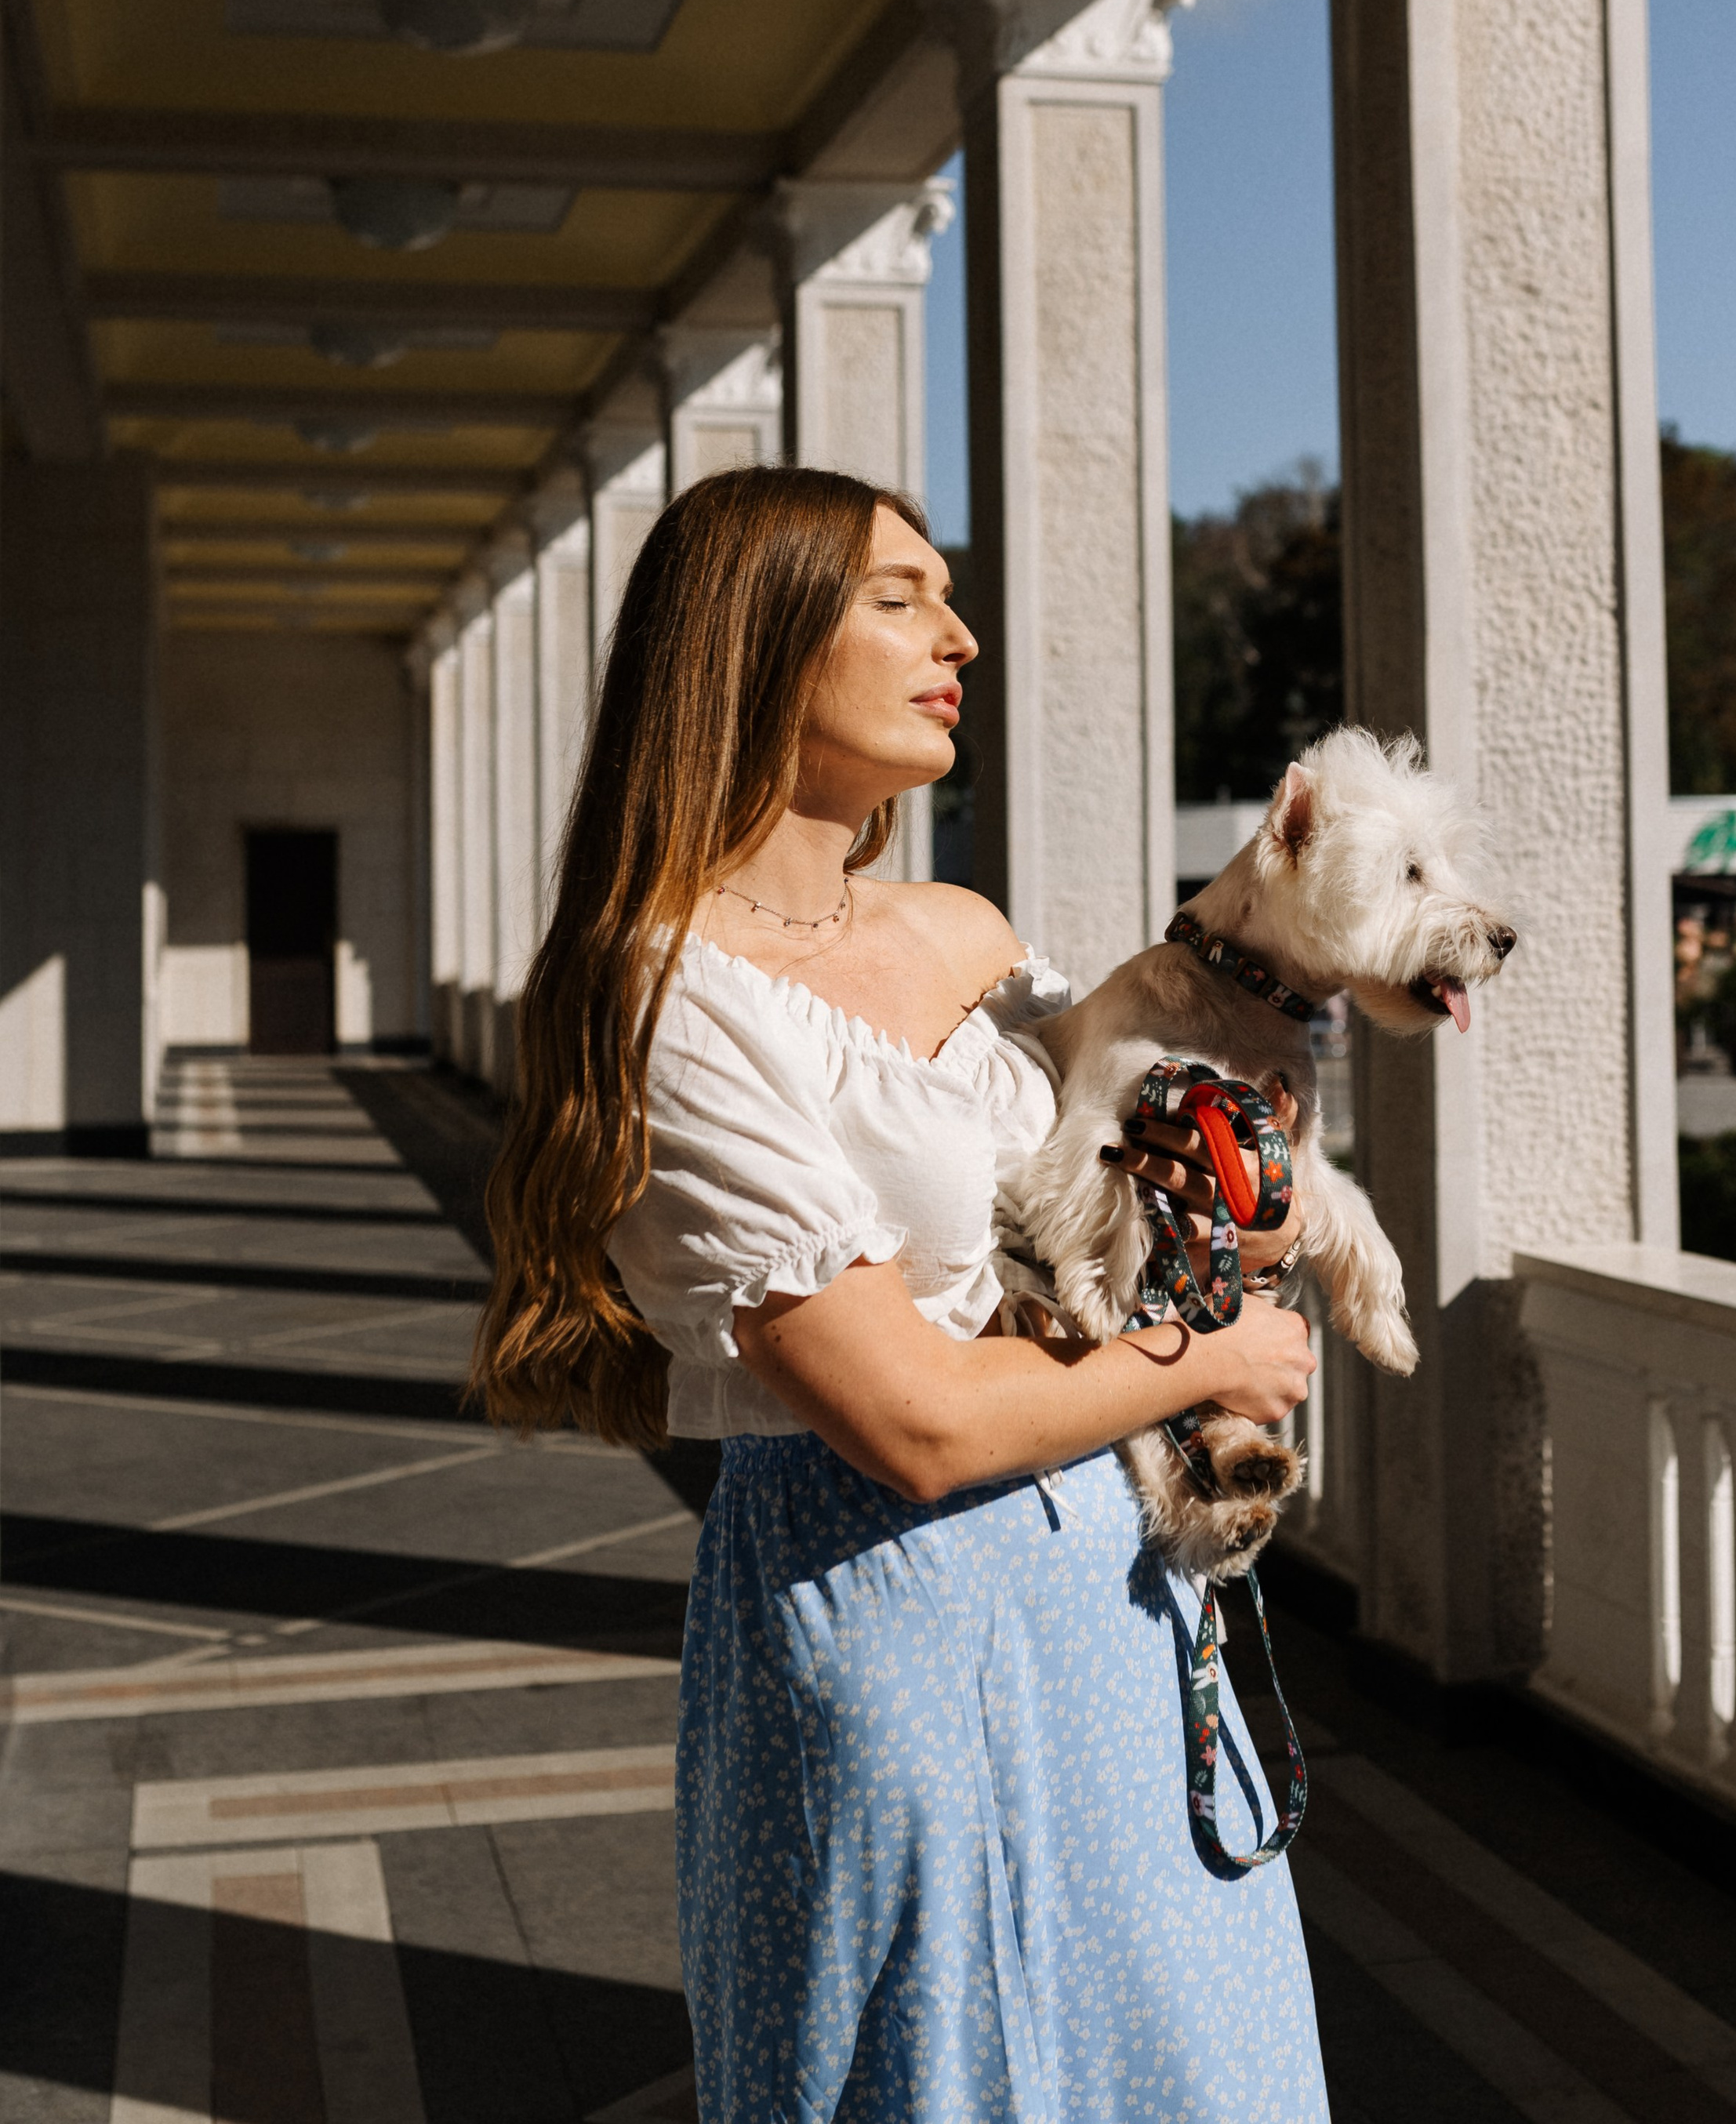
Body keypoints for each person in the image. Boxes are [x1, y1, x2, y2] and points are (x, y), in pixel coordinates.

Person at [471, 465, 1328, 2122]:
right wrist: (1205, 1351)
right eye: (899, 597)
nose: (960, 635)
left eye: (946, 594)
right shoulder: (664, 990)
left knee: (1194, 2057)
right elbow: (912, 1421)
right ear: (753, 642)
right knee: (964, 2066)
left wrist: (1245, 1206)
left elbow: (1100, 1225)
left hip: (1118, 1597)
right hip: (895, 1607)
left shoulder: (961, 934)